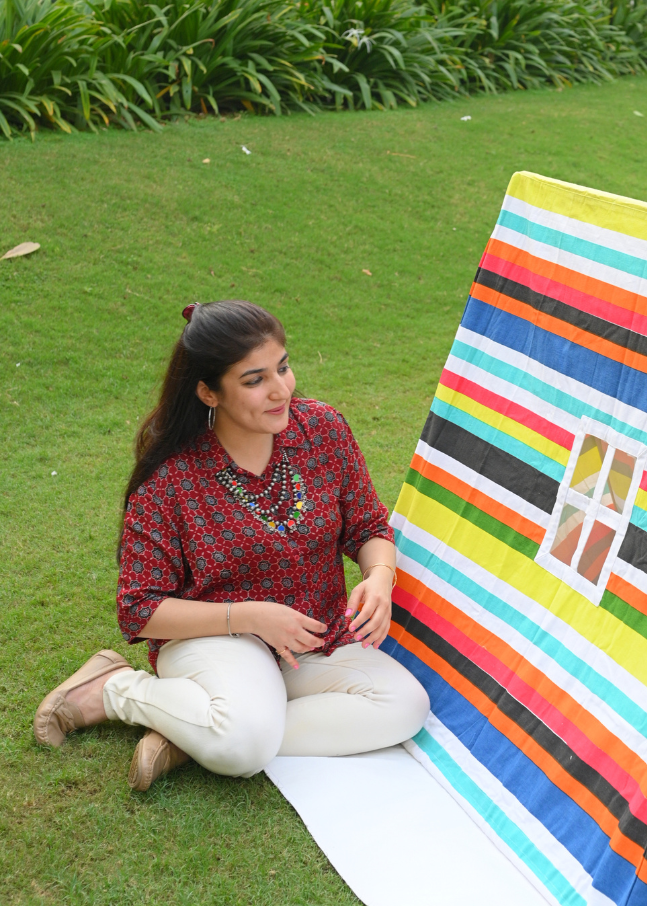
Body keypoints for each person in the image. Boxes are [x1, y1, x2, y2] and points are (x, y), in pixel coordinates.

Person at [33, 300, 430, 790]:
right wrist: (250, 616)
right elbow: (139, 609)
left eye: (282, 367)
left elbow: (368, 526)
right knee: (243, 746)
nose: (281, 388)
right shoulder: (170, 479)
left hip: (310, 639)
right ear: (208, 392)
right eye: (254, 379)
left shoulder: (322, 430)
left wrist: (379, 577)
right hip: (216, 638)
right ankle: (114, 689)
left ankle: (191, 731)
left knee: (405, 706)